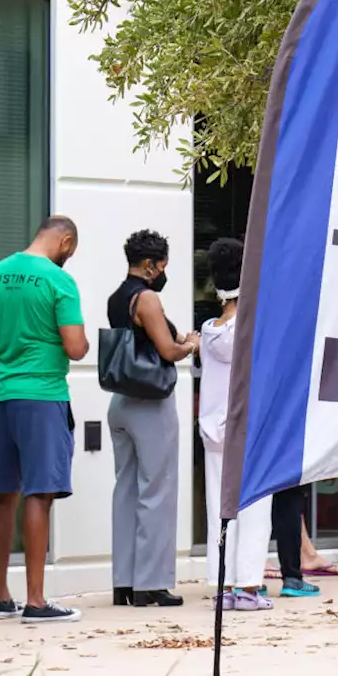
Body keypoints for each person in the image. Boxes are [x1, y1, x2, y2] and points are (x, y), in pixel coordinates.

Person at [0, 217, 87, 623]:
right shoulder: (58, 281)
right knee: (41, 491)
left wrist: (9, 348)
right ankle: (36, 601)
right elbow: (75, 347)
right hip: (41, 395)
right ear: (65, 241)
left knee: (4, 493)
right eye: (71, 250)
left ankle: (1, 597)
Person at [106, 229, 196, 609]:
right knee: (157, 490)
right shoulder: (147, 298)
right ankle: (152, 584)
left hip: (121, 402)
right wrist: (190, 343)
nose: (162, 272)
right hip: (150, 404)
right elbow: (169, 351)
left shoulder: (116, 297)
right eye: (162, 265)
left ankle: (124, 582)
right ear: (150, 264)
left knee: (125, 490)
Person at [199, 238, 272, 611]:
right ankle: (248, 585)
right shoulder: (252, 332)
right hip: (250, 426)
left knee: (219, 507)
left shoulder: (209, 330)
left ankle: (222, 585)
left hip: (214, 429)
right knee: (255, 505)